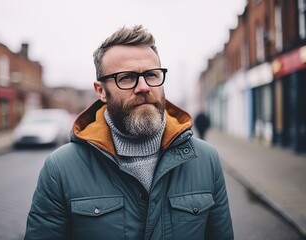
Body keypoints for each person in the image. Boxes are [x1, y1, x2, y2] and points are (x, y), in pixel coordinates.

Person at [24, 25, 234, 240]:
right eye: (126, 77)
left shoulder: (206, 160)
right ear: (101, 91)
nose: (143, 87)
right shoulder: (60, 169)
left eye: (152, 75)